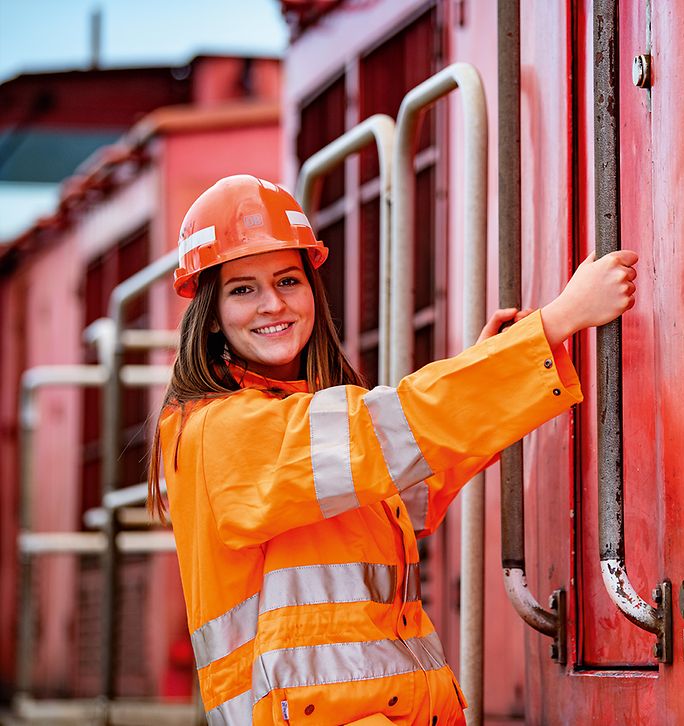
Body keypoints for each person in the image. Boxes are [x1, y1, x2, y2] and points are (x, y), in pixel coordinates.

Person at [147, 174, 637, 725]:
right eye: (243, 289)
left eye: (288, 280)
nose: (271, 304)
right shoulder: (221, 431)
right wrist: (557, 322)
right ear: (210, 313)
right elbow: (383, 435)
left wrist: (494, 371)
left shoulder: (291, 420)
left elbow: (401, 496)